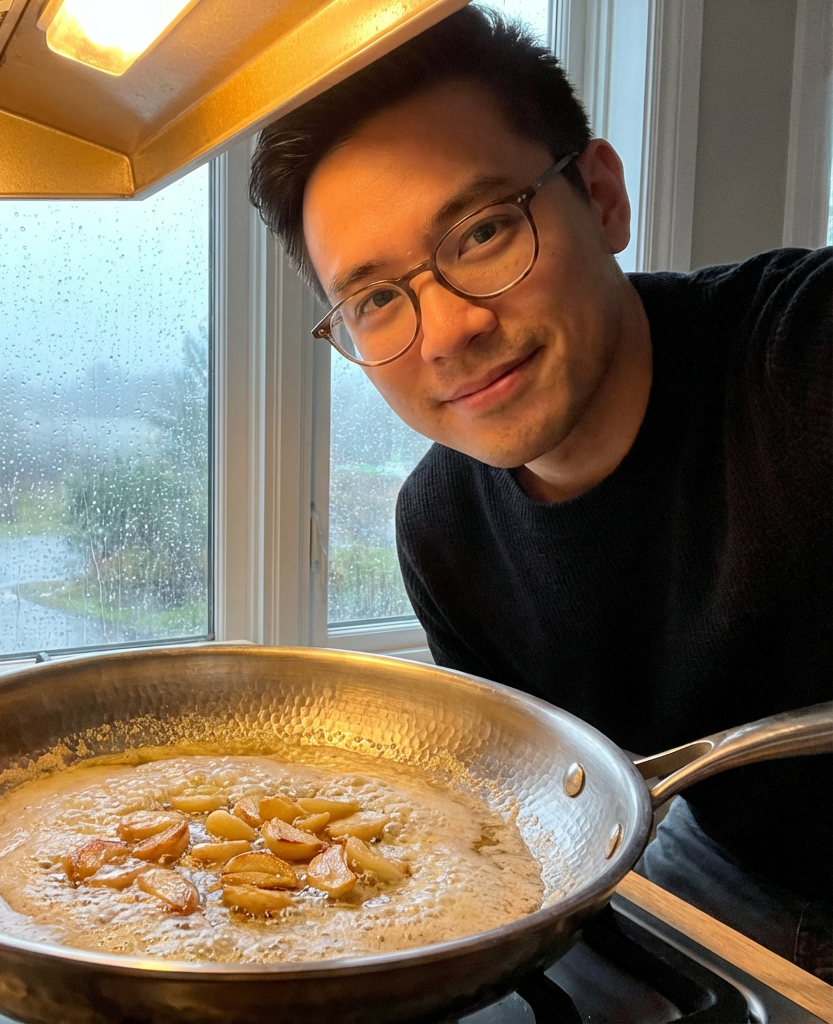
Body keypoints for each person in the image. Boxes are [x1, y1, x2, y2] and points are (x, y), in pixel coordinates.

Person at [248, 5, 832, 979]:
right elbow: (546, 805)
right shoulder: (441, 528)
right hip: (719, 864)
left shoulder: (804, 358)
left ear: (600, 195)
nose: (444, 334)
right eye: (376, 300)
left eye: (479, 232)